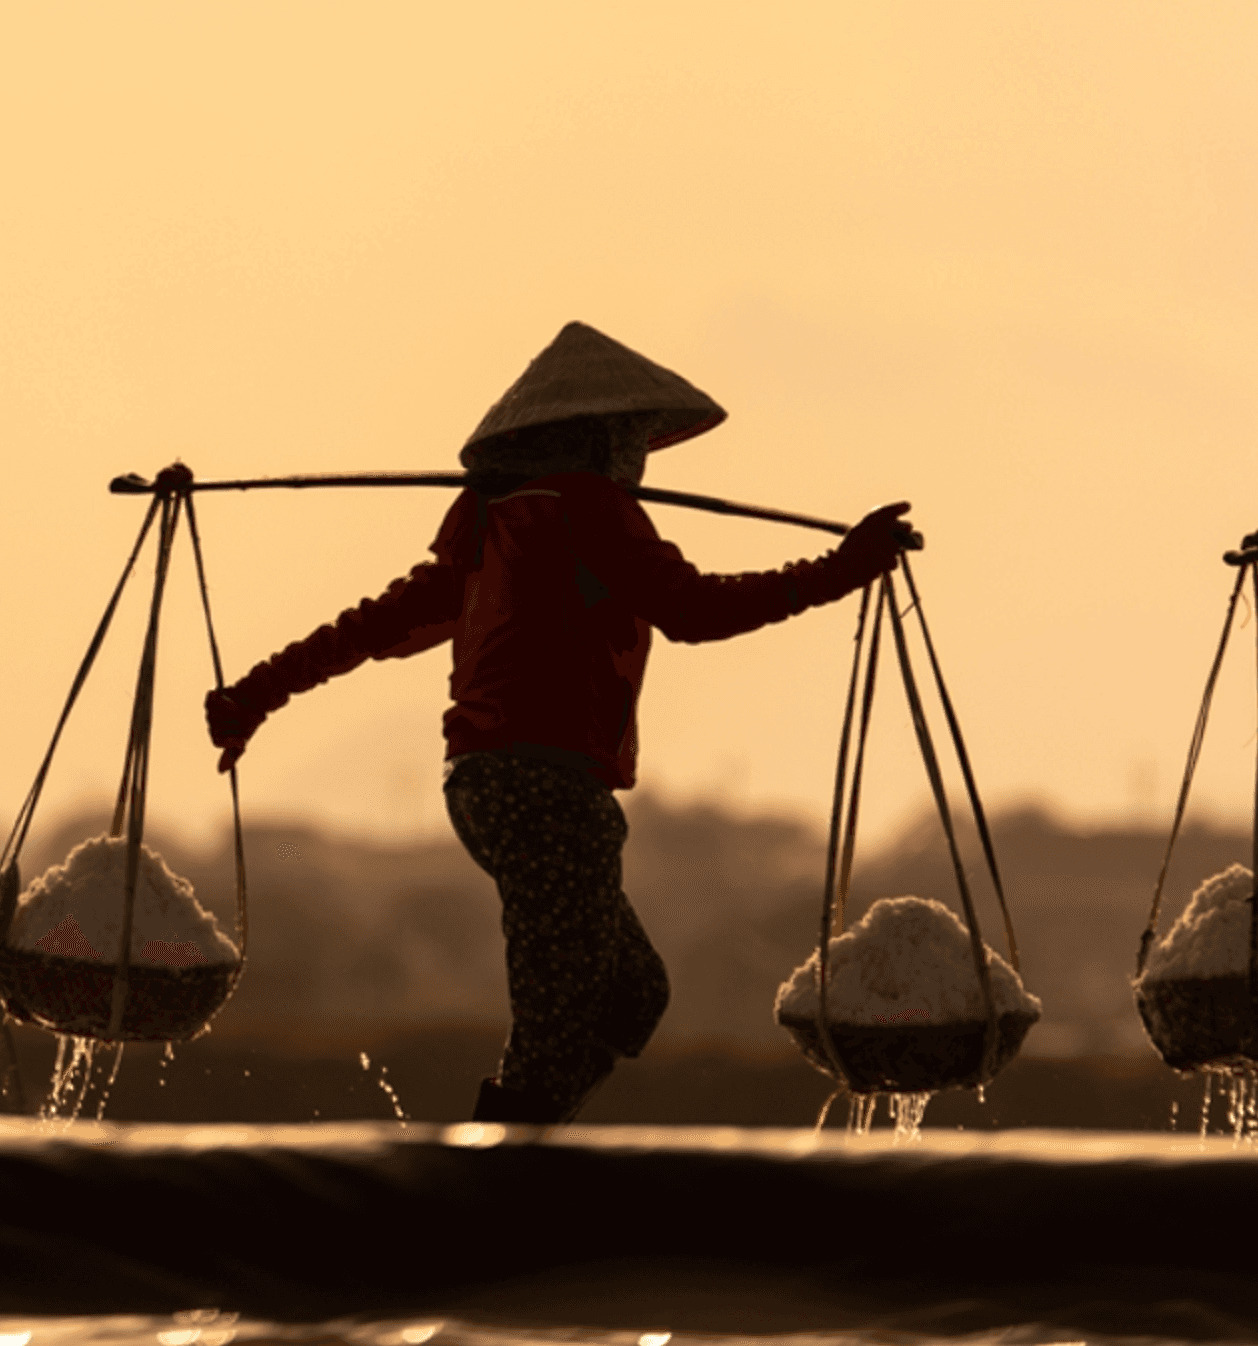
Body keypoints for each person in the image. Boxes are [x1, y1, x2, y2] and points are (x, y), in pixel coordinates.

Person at [203, 322, 913, 1124]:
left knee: (630, 996)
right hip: (544, 789)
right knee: (555, 1025)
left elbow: (370, 629)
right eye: (629, 439)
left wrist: (254, 695)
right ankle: (502, 1175)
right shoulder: (587, 508)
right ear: (597, 440)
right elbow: (696, 611)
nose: (638, 461)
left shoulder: (485, 520)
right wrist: (843, 569)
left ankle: (531, 1138)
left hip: (482, 786)